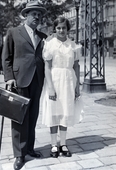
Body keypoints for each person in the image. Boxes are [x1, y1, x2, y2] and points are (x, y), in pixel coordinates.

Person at [2, 1, 47, 170]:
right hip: (19, 79)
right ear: (26, 15)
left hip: (37, 80)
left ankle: (29, 148)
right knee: (19, 117)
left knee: (33, 114)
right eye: (34, 14)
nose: (37, 17)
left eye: (39, 14)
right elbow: (6, 57)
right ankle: (19, 154)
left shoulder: (42, 36)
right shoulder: (14, 32)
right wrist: (9, 78)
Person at [41, 16, 83, 158]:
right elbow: (46, 67)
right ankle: (54, 144)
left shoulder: (73, 45)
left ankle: (63, 144)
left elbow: (76, 66)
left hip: (69, 80)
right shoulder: (50, 44)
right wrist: (50, 88)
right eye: (58, 28)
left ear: (68, 29)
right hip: (54, 79)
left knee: (65, 111)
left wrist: (77, 86)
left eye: (63, 28)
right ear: (55, 29)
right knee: (54, 112)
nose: (61, 30)